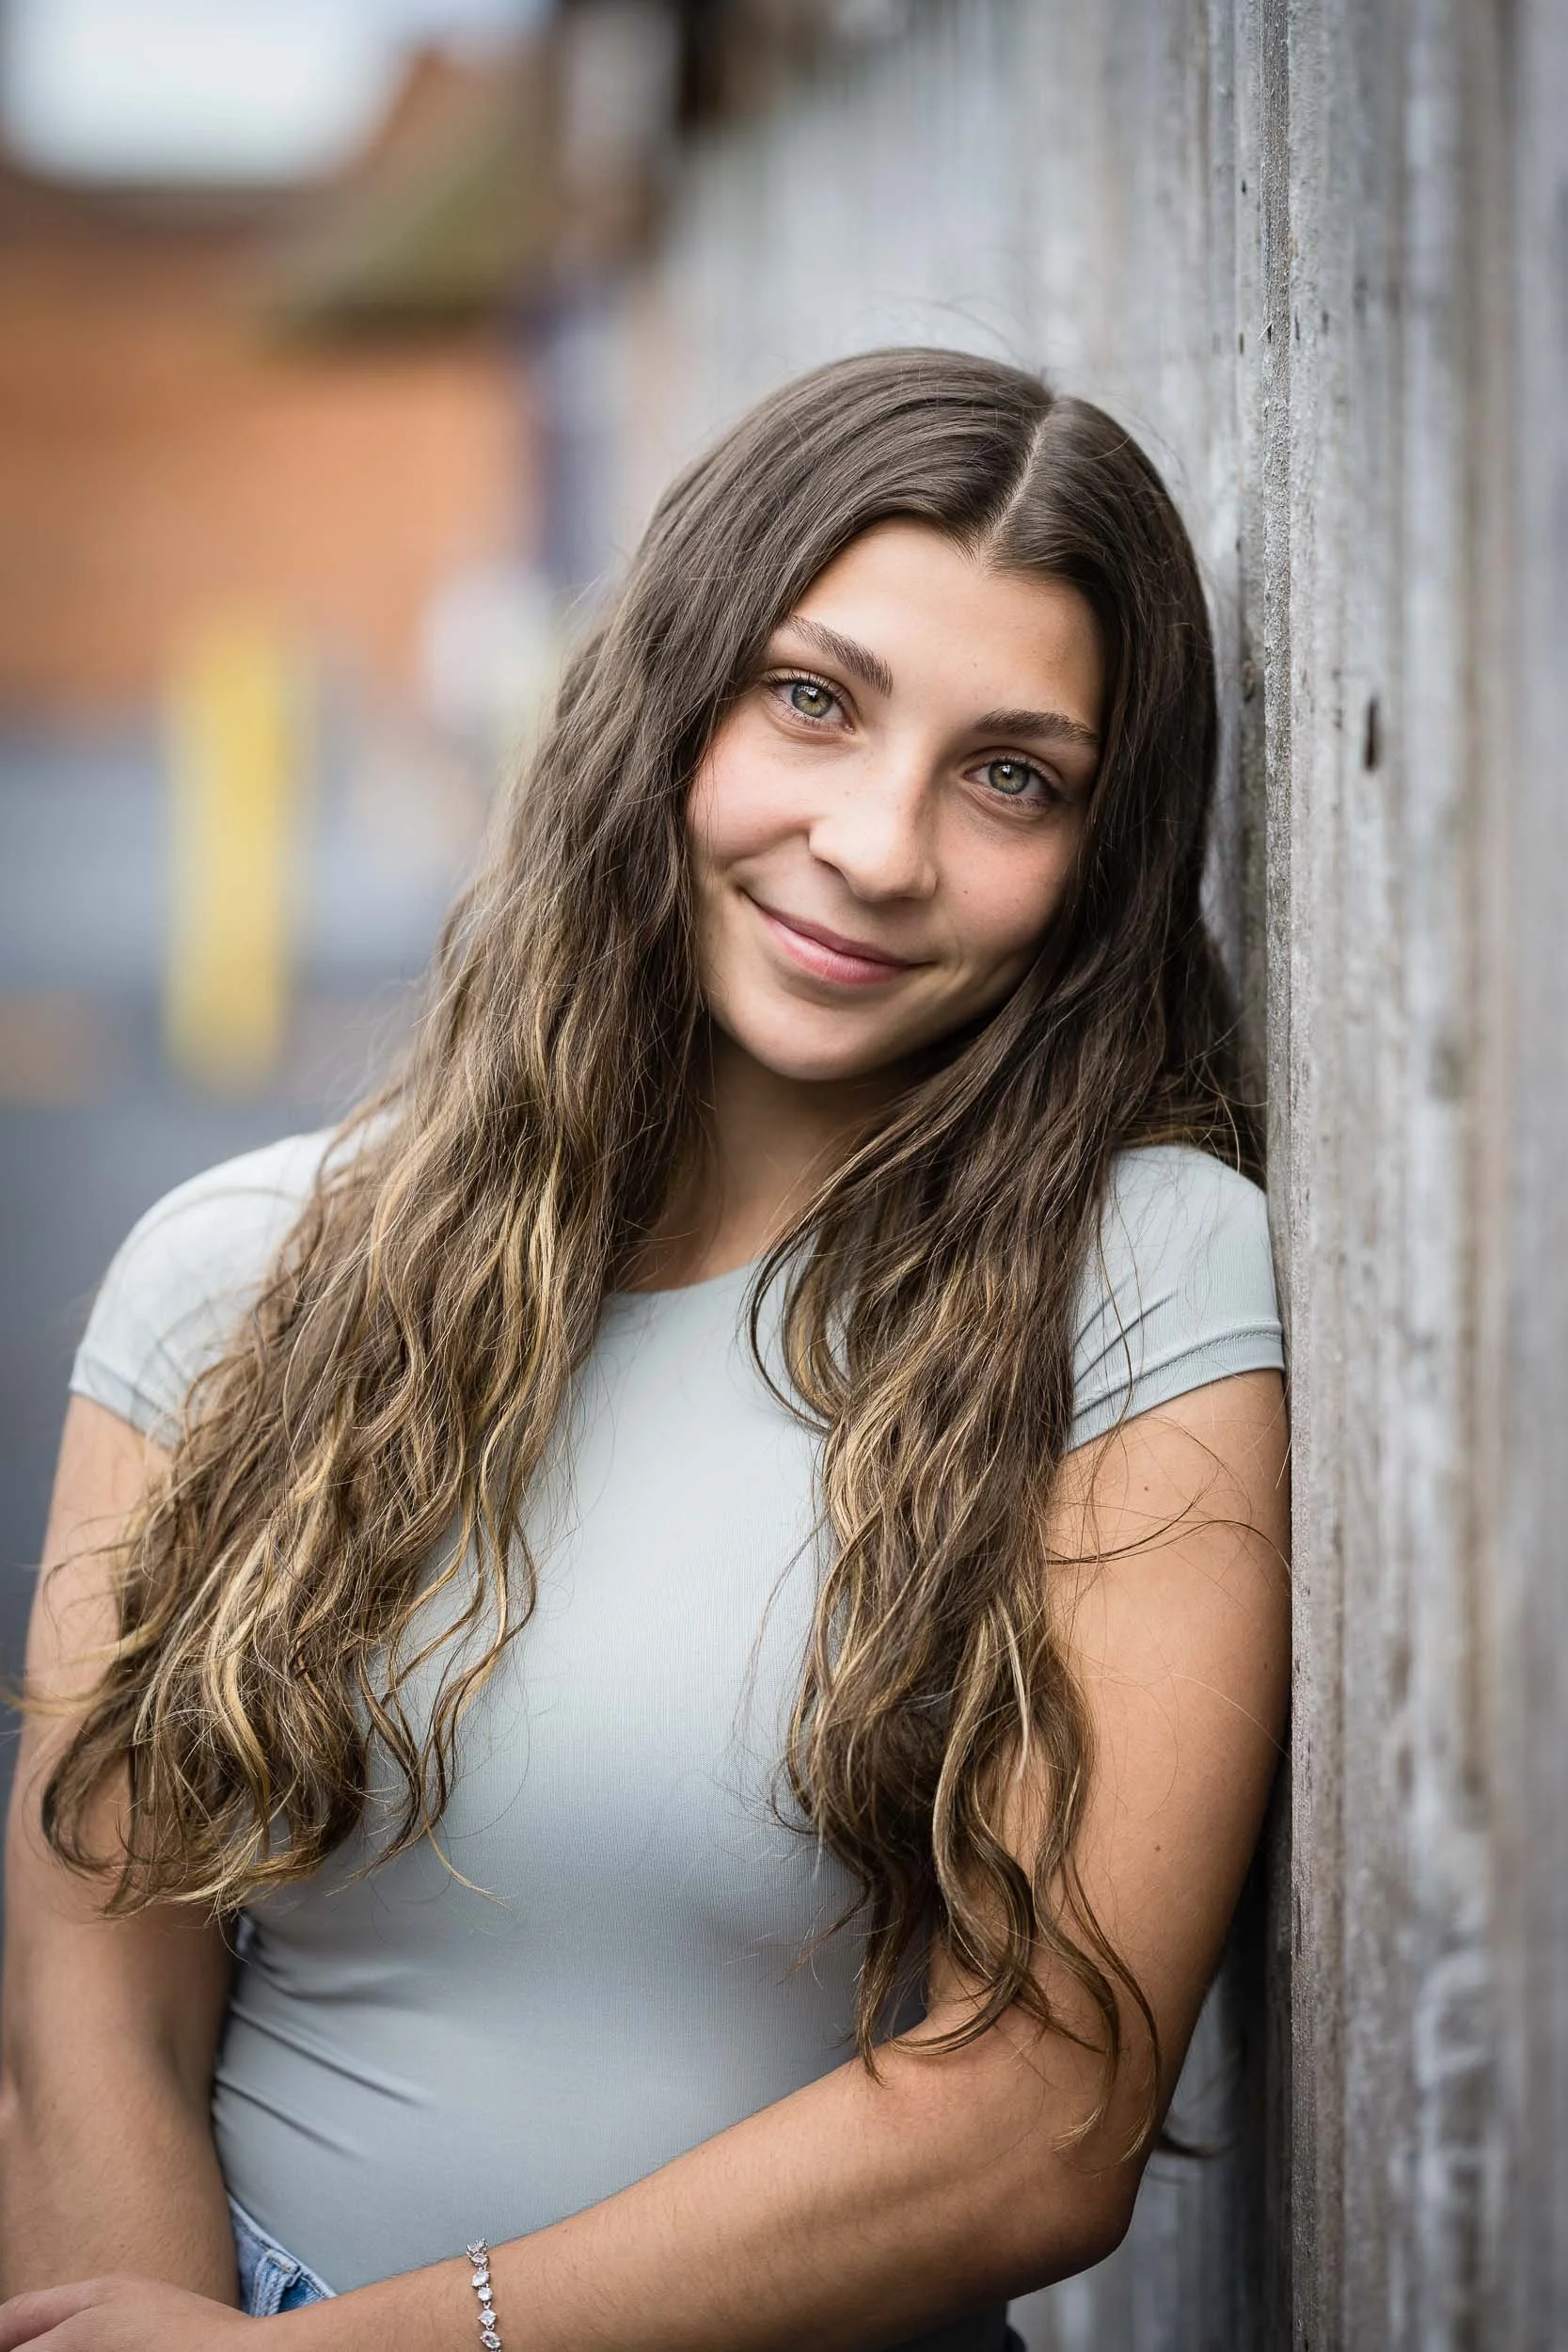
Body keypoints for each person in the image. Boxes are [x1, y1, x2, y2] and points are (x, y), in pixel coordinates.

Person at [0, 348, 1289, 2352]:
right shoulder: (231, 1269)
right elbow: (97, 1990)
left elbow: (1041, 2113)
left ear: (1098, 861)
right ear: (667, 688)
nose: (875, 844)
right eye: (812, 699)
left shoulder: (1135, 1281)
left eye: (1009, 772)